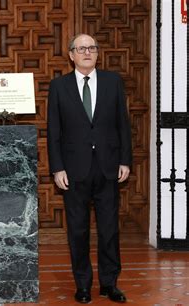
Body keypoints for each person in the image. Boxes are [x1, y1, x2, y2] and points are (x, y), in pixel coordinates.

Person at [47, 34, 132, 304]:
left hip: (108, 168)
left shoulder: (112, 82)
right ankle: (82, 284)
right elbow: (54, 132)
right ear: (71, 54)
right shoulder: (58, 86)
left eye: (92, 48)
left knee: (109, 230)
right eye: (81, 48)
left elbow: (123, 125)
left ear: (97, 54)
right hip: (74, 171)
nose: (87, 52)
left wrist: (125, 160)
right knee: (78, 230)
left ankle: (110, 283)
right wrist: (57, 167)